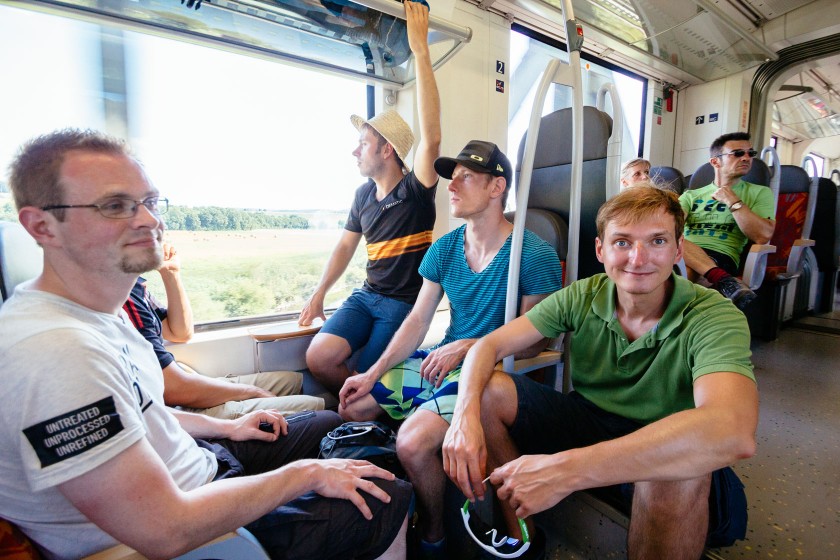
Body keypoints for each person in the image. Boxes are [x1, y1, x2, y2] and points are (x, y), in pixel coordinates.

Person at [0, 128, 411, 560]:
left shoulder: (104, 316)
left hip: (200, 465)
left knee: (327, 425)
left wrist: (228, 428)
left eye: (150, 202)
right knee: (388, 496)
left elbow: (147, 415)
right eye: (115, 206)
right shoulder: (55, 352)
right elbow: (163, 530)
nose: (149, 220)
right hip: (188, 528)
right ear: (42, 226)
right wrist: (306, 474)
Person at [443, 185, 758, 559]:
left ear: (677, 250)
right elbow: (487, 346)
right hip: (591, 420)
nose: (638, 258)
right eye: (622, 242)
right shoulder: (584, 294)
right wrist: (464, 419)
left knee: (673, 468)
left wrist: (565, 471)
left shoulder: (713, 316)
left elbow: (732, 429)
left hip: (665, 435)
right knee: (488, 392)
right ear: (600, 250)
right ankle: (522, 538)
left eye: (656, 241)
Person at [338, 140, 563, 557]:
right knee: (355, 407)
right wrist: (372, 371)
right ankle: (414, 488)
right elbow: (418, 321)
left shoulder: (532, 254)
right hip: (442, 360)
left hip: (488, 369)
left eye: (465, 178)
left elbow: (538, 339)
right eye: (451, 177)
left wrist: (469, 345)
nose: (451, 186)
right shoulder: (445, 248)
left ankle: (434, 534)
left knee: (409, 441)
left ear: (497, 188)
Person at [299, 0, 441, 395]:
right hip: (368, 296)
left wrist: (421, 51)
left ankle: (369, 404)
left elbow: (433, 138)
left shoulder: (415, 190)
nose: (355, 151)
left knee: (368, 373)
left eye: (363, 143)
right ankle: (367, 402)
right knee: (319, 357)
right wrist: (319, 293)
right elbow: (346, 247)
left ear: (387, 150)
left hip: (403, 304)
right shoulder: (363, 194)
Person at [125, 246, 325, 419]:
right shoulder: (125, 299)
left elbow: (180, 332)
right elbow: (173, 388)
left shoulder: (134, 286)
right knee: (320, 409)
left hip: (181, 385)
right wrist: (250, 392)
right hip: (175, 408)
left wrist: (172, 274)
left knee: (291, 381)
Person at [679, 132, 775, 309]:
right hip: (681, 251)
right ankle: (723, 280)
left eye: (750, 153)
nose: (746, 158)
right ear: (715, 161)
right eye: (738, 153)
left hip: (721, 254)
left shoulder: (760, 193)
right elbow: (670, 226)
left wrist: (733, 201)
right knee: (671, 242)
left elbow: (763, 236)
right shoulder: (691, 196)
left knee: (683, 273)